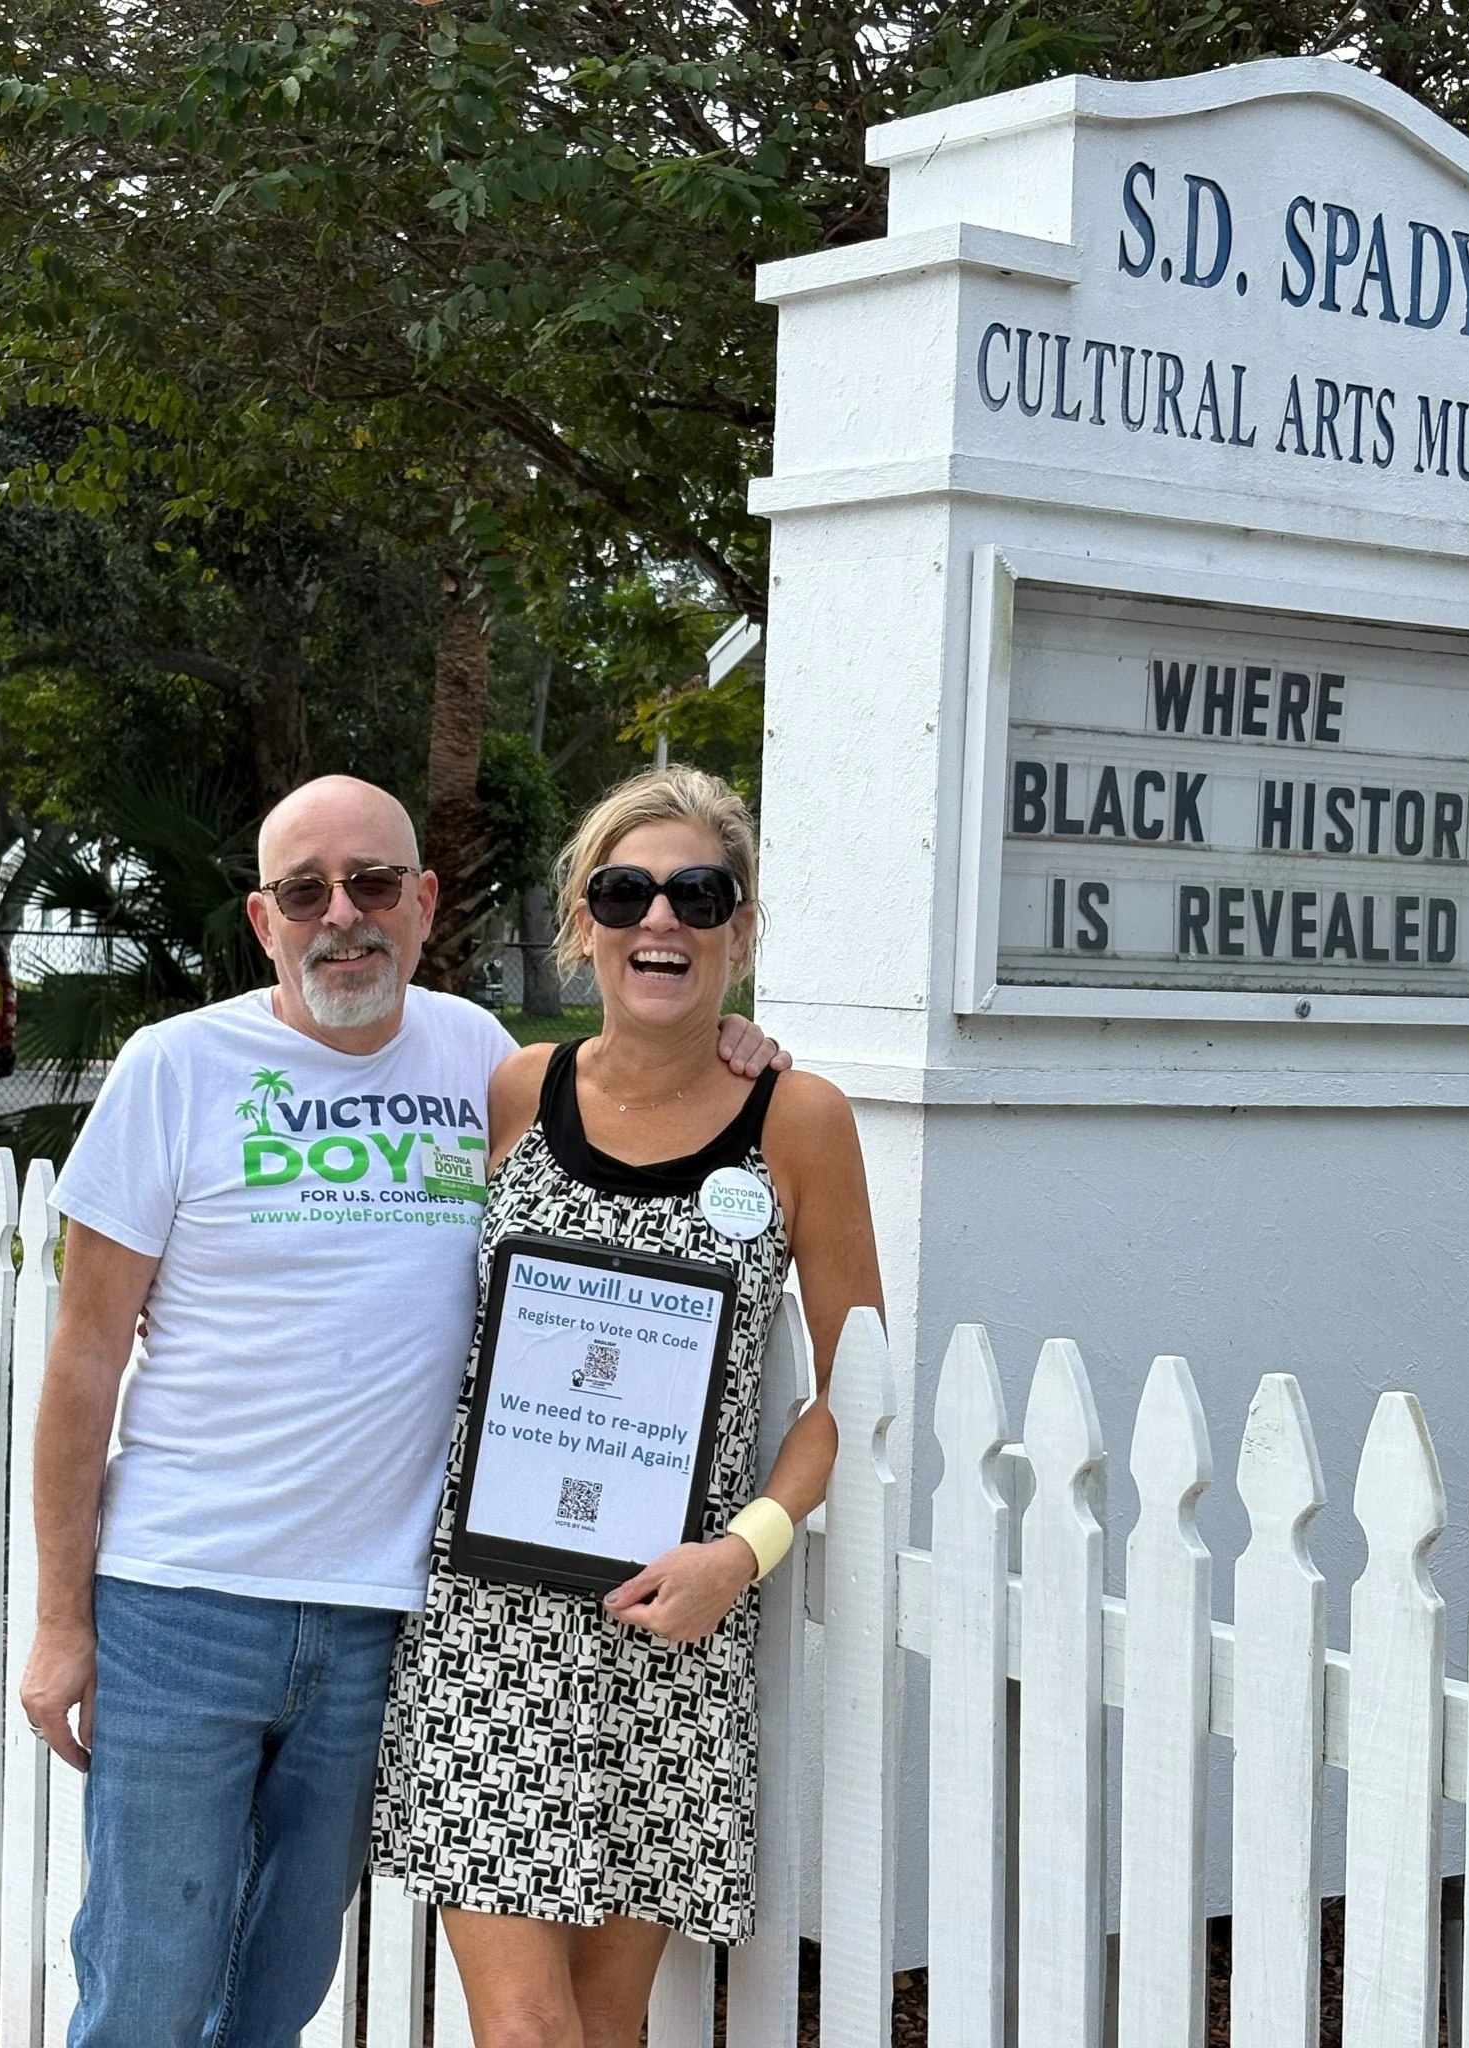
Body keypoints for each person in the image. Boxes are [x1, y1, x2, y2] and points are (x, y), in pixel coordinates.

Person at [21, 773, 787, 2048]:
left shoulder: (484, 1061)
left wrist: (742, 1043)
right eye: (306, 891)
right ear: (263, 919)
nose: (344, 916)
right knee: (150, 1983)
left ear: (425, 902)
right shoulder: (174, 1068)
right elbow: (82, 1362)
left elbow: (644, 1082)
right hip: (184, 1597)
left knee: (279, 1984)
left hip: (387, 1616)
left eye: (374, 883)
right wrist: (59, 1619)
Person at [374, 765, 883, 2048]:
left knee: (610, 2028)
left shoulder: (799, 1119)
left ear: (741, 926)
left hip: (669, 1622)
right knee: (527, 2029)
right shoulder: (509, 1092)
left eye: (698, 895)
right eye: (627, 890)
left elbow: (850, 1395)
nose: (662, 920)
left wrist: (742, 1552)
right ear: (583, 920)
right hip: (487, 1632)